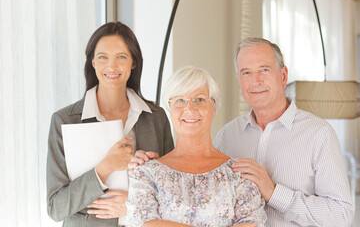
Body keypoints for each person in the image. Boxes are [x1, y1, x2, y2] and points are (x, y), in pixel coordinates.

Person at [213, 37, 355, 226]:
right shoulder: (225, 137)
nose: (255, 81)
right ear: (239, 80)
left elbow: (341, 215)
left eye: (264, 70)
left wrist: (273, 192)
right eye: (246, 73)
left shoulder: (320, 134)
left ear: (283, 75)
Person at [46, 21, 174, 227]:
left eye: (121, 57)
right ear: (93, 63)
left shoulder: (156, 118)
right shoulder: (64, 121)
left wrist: (133, 205)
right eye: (103, 57)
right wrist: (105, 167)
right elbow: (56, 207)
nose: (112, 66)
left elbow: (176, 197)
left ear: (133, 62)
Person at [126, 66, 267, 227]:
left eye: (199, 99)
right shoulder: (147, 173)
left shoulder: (240, 174)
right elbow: (142, 223)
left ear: (214, 108)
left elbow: (251, 224)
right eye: (179, 100)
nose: (189, 108)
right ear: (170, 109)